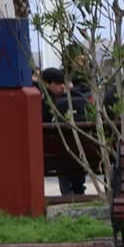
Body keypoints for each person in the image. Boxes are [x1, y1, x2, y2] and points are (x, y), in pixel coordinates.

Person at [39, 67, 91, 197]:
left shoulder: (43, 104)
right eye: (57, 83)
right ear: (47, 84)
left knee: (64, 160)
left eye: (63, 83)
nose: (62, 86)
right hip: (80, 154)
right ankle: (78, 190)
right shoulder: (76, 99)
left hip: (55, 156)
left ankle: (68, 193)